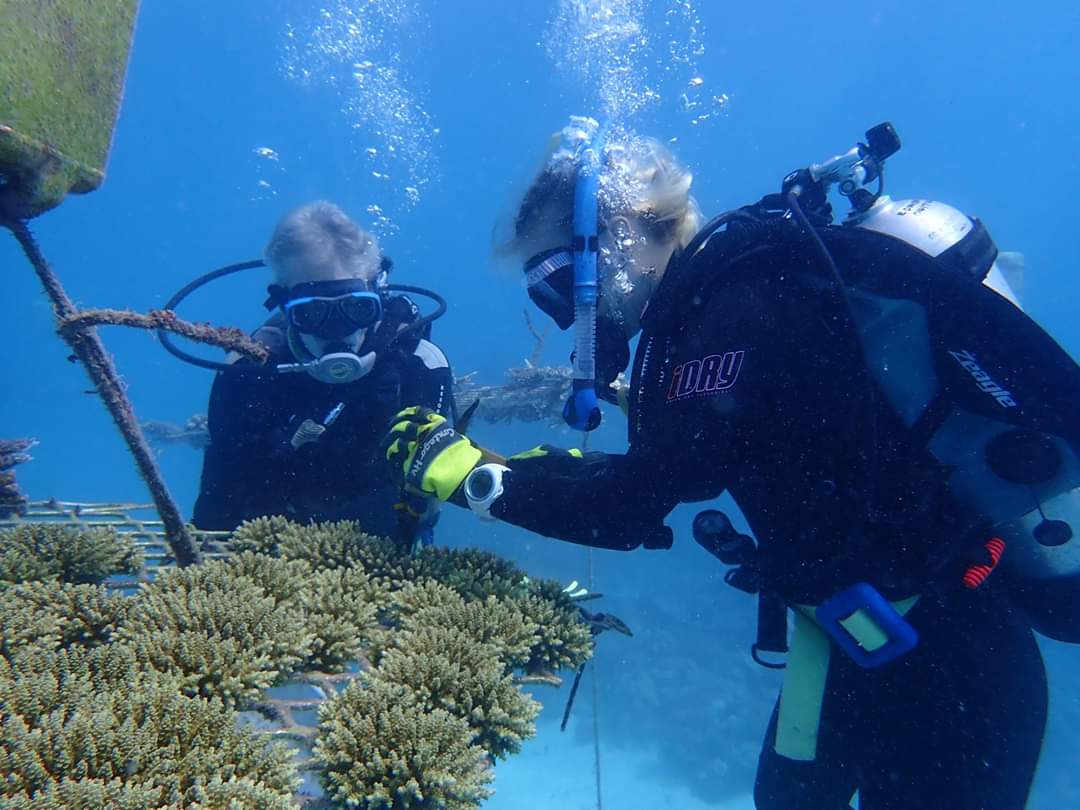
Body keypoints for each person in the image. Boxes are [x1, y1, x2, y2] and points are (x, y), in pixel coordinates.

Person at [383, 118, 1080, 809]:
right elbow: (664, 469)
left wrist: (456, 471)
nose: (565, 313)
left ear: (621, 239)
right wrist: (536, 470)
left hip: (950, 664)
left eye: (558, 280)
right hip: (850, 643)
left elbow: (629, 508)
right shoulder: (717, 307)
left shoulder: (734, 316)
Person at [193, 201, 454, 544]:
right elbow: (221, 488)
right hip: (264, 546)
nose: (336, 332)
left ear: (378, 294)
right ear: (285, 308)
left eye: (356, 309)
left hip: (381, 544)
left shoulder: (419, 365)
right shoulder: (247, 375)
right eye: (312, 313)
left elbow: (426, 489)